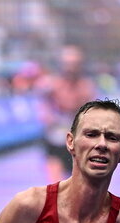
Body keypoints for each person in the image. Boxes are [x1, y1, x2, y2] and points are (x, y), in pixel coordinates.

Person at [38, 46, 96, 184]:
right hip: (56, 136)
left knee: (79, 184)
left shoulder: (87, 86)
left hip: (78, 137)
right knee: (55, 182)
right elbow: (42, 106)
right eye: (67, 64)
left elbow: (93, 111)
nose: (70, 68)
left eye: (74, 64)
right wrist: (49, 118)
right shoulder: (51, 84)